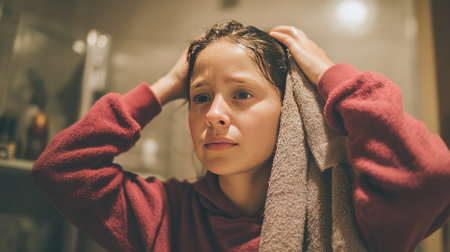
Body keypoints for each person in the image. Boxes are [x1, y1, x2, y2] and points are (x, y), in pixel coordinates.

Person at [31, 20, 450, 251]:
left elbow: (426, 171)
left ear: (289, 112)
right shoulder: (164, 215)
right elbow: (59, 168)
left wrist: (330, 77)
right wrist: (165, 86)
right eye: (199, 97)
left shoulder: (350, 215)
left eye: (242, 94)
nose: (214, 114)